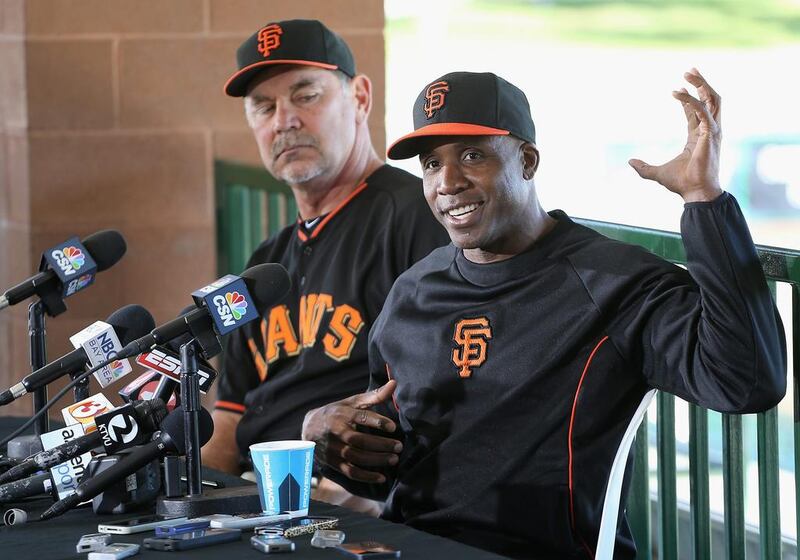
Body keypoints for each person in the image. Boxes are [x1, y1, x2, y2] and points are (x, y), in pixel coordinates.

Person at [301, 69, 787, 558]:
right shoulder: (412, 291)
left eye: (472, 155)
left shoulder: (615, 281)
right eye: (431, 164)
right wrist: (324, 434)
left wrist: (703, 200)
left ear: (528, 160)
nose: (447, 182)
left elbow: (745, 381)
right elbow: (382, 459)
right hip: (405, 545)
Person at [202, 19, 449, 512]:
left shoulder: (417, 218)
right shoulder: (266, 261)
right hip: (258, 495)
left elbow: (443, 391)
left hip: (347, 500)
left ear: (359, 98)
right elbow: (228, 419)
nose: (284, 120)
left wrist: (362, 499)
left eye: (306, 95)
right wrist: (186, 493)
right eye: (264, 106)